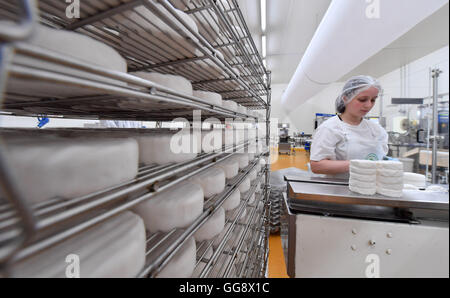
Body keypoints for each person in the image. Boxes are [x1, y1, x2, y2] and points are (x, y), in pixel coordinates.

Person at [310, 75, 388, 179]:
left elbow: (381, 158)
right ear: (346, 98)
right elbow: (317, 166)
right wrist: (357, 165)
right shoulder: (330, 128)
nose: (368, 105)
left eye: (373, 100)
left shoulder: (376, 130)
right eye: (362, 99)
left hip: (370, 188)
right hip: (338, 190)